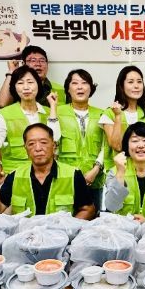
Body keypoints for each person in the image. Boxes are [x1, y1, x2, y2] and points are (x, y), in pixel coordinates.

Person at [0, 123, 95, 219]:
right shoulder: (15, 176)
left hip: (61, 235)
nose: (38, 148)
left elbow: (88, 209)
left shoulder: (73, 175)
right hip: (25, 235)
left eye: (43, 142)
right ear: (25, 148)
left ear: (54, 146)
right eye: (31, 144)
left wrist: (68, 229)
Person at [0, 65, 60, 173]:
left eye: (30, 82)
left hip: (45, 173)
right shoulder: (5, 114)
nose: (26, 87)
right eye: (20, 83)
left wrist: (53, 107)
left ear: (38, 85)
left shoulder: (49, 112)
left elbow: (55, 138)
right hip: (15, 174)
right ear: (14, 88)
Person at [57, 69, 105, 212]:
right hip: (65, 178)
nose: (80, 87)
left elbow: (106, 145)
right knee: (64, 220)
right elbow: (52, 143)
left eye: (84, 83)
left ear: (91, 88)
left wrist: (95, 170)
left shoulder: (102, 114)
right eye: (75, 83)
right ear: (68, 89)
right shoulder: (57, 112)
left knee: (93, 219)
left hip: (94, 179)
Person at [99, 66, 145, 169]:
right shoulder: (109, 114)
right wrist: (118, 116)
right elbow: (117, 146)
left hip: (143, 172)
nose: (136, 86)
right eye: (131, 82)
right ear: (122, 85)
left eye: (139, 82)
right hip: (118, 172)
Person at [0, 45, 65, 107]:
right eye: (33, 60)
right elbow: (3, 104)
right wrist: (12, 71)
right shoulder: (17, 86)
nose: (38, 64)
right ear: (23, 64)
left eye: (42, 61)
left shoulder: (61, 89)